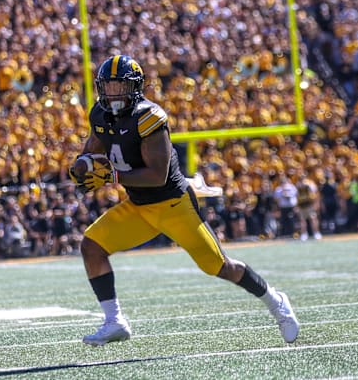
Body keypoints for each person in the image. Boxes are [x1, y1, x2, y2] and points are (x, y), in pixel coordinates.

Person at [69, 55, 299, 346]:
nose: (113, 92)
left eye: (119, 85)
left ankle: (274, 299)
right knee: (92, 246)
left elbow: (157, 174)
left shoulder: (149, 117)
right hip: (139, 207)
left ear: (135, 87)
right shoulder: (100, 115)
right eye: (109, 85)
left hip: (173, 205)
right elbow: (93, 149)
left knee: (219, 266)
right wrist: (81, 166)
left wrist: (111, 177)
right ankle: (115, 321)